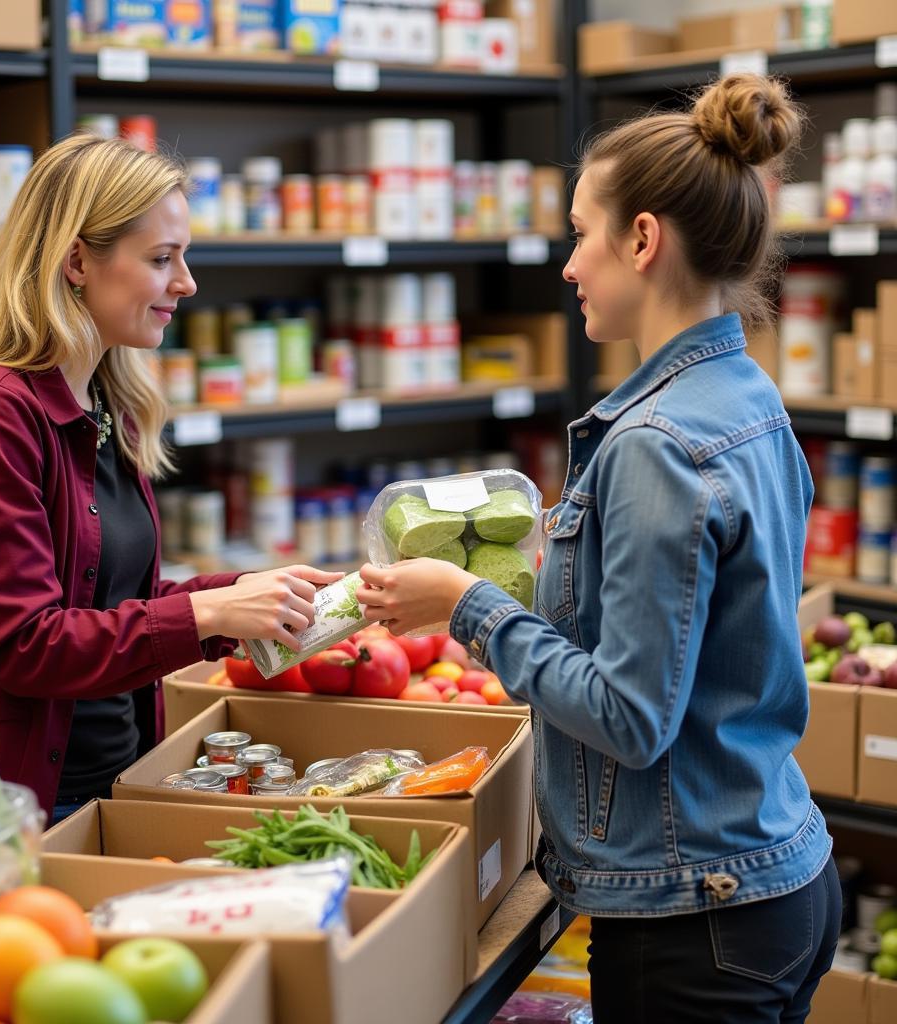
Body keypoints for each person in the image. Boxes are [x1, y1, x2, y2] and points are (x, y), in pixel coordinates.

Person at [357, 74, 841, 1022]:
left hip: (695, 923)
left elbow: (630, 715)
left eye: (582, 233)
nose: (570, 264)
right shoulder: (747, 400)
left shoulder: (657, 444)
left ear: (644, 240)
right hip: (771, 877)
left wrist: (470, 606)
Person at [0, 134, 340, 824]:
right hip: (1, 809)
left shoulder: (104, 399)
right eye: (162, 259)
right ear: (76, 260)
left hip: (107, 783)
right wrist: (206, 615)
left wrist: (249, 594)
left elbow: (110, 598)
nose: (186, 284)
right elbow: (26, 644)